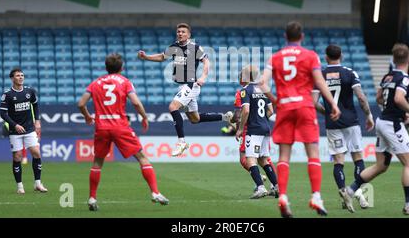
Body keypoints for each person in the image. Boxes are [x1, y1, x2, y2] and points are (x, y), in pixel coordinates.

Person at [260, 21, 341, 218]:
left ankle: (284, 197)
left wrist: (275, 100)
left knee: (284, 155)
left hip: (285, 107)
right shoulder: (310, 55)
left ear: (285, 37)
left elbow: (262, 83)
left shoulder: (276, 57)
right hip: (305, 107)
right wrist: (333, 104)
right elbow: (320, 82)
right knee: (312, 153)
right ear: (301, 37)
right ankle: (315, 196)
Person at [341, 43, 409, 216]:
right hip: (391, 124)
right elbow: (398, 98)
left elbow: (379, 98)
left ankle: (350, 191)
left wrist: (397, 112)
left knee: (381, 165)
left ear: (394, 59)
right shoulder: (404, 78)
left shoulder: (388, 76)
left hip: (382, 121)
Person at [78, 53, 169, 211]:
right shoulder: (125, 82)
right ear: (121, 67)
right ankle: (155, 193)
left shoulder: (95, 83)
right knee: (142, 158)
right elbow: (135, 102)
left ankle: (92, 198)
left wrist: (87, 116)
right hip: (120, 125)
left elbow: (81, 103)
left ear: (106, 67)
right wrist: (144, 117)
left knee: (97, 162)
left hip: (102, 126)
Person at [138, 23, 232, 157]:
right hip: (182, 86)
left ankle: (181, 142)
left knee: (173, 107)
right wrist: (146, 57)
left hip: (191, 84)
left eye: (183, 32)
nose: (180, 34)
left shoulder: (195, 47)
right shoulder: (174, 47)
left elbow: (206, 61)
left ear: (188, 35)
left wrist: (203, 76)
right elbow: (162, 57)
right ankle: (225, 116)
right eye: (178, 32)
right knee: (195, 119)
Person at [312, 44, 374, 211]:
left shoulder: (320, 75)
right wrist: (368, 115)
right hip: (351, 122)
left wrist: (327, 111)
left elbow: (313, 102)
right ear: (342, 55)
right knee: (358, 158)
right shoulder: (349, 72)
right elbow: (361, 97)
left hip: (333, 124)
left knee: (338, 161)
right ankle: (356, 191)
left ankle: (344, 192)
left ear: (326, 57)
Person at [0, 67, 47, 194]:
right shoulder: (7, 94)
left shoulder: (29, 91)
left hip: (29, 128)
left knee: (36, 152)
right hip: (15, 131)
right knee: (18, 156)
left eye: (22, 75)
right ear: (12, 78)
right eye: (17, 75)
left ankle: (38, 183)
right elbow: (3, 114)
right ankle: (20, 186)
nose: (20, 77)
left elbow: (35, 105)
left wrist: (37, 121)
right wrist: (14, 125)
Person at [234, 65, 278, 198]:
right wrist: (261, 118)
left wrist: (240, 129)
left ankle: (260, 187)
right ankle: (276, 186)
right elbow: (270, 111)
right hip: (265, 128)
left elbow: (246, 110)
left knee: (251, 159)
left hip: (253, 130)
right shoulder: (263, 89)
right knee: (264, 159)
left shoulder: (245, 90)